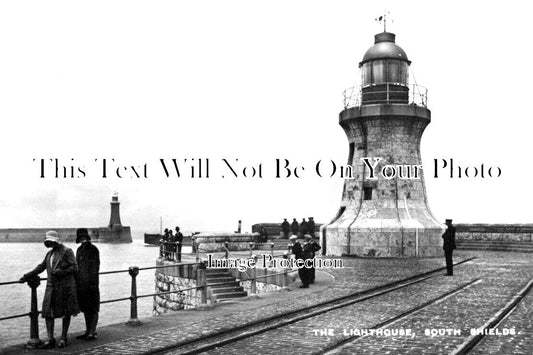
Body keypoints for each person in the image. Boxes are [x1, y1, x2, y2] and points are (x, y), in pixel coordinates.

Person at [20, 231, 79, 349]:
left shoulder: (67, 251)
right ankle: (50, 338)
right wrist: (27, 276)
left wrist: (62, 271)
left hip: (64, 287)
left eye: (51, 242)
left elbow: (75, 267)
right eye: (48, 242)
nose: (50, 244)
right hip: (51, 287)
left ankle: (63, 338)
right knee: (48, 313)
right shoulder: (49, 253)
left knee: (65, 313)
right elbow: (41, 267)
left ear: (56, 241)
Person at [75, 228, 100, 341]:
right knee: (86, 308)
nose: (82, 240)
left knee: (93, 308)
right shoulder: (79, 250)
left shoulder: (92, 249)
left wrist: (93, 282)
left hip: (90, 283)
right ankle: (88, 331)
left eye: (83, 238)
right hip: (82, 284)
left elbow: (95, 267)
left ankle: (92, 331)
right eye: (81, 238)